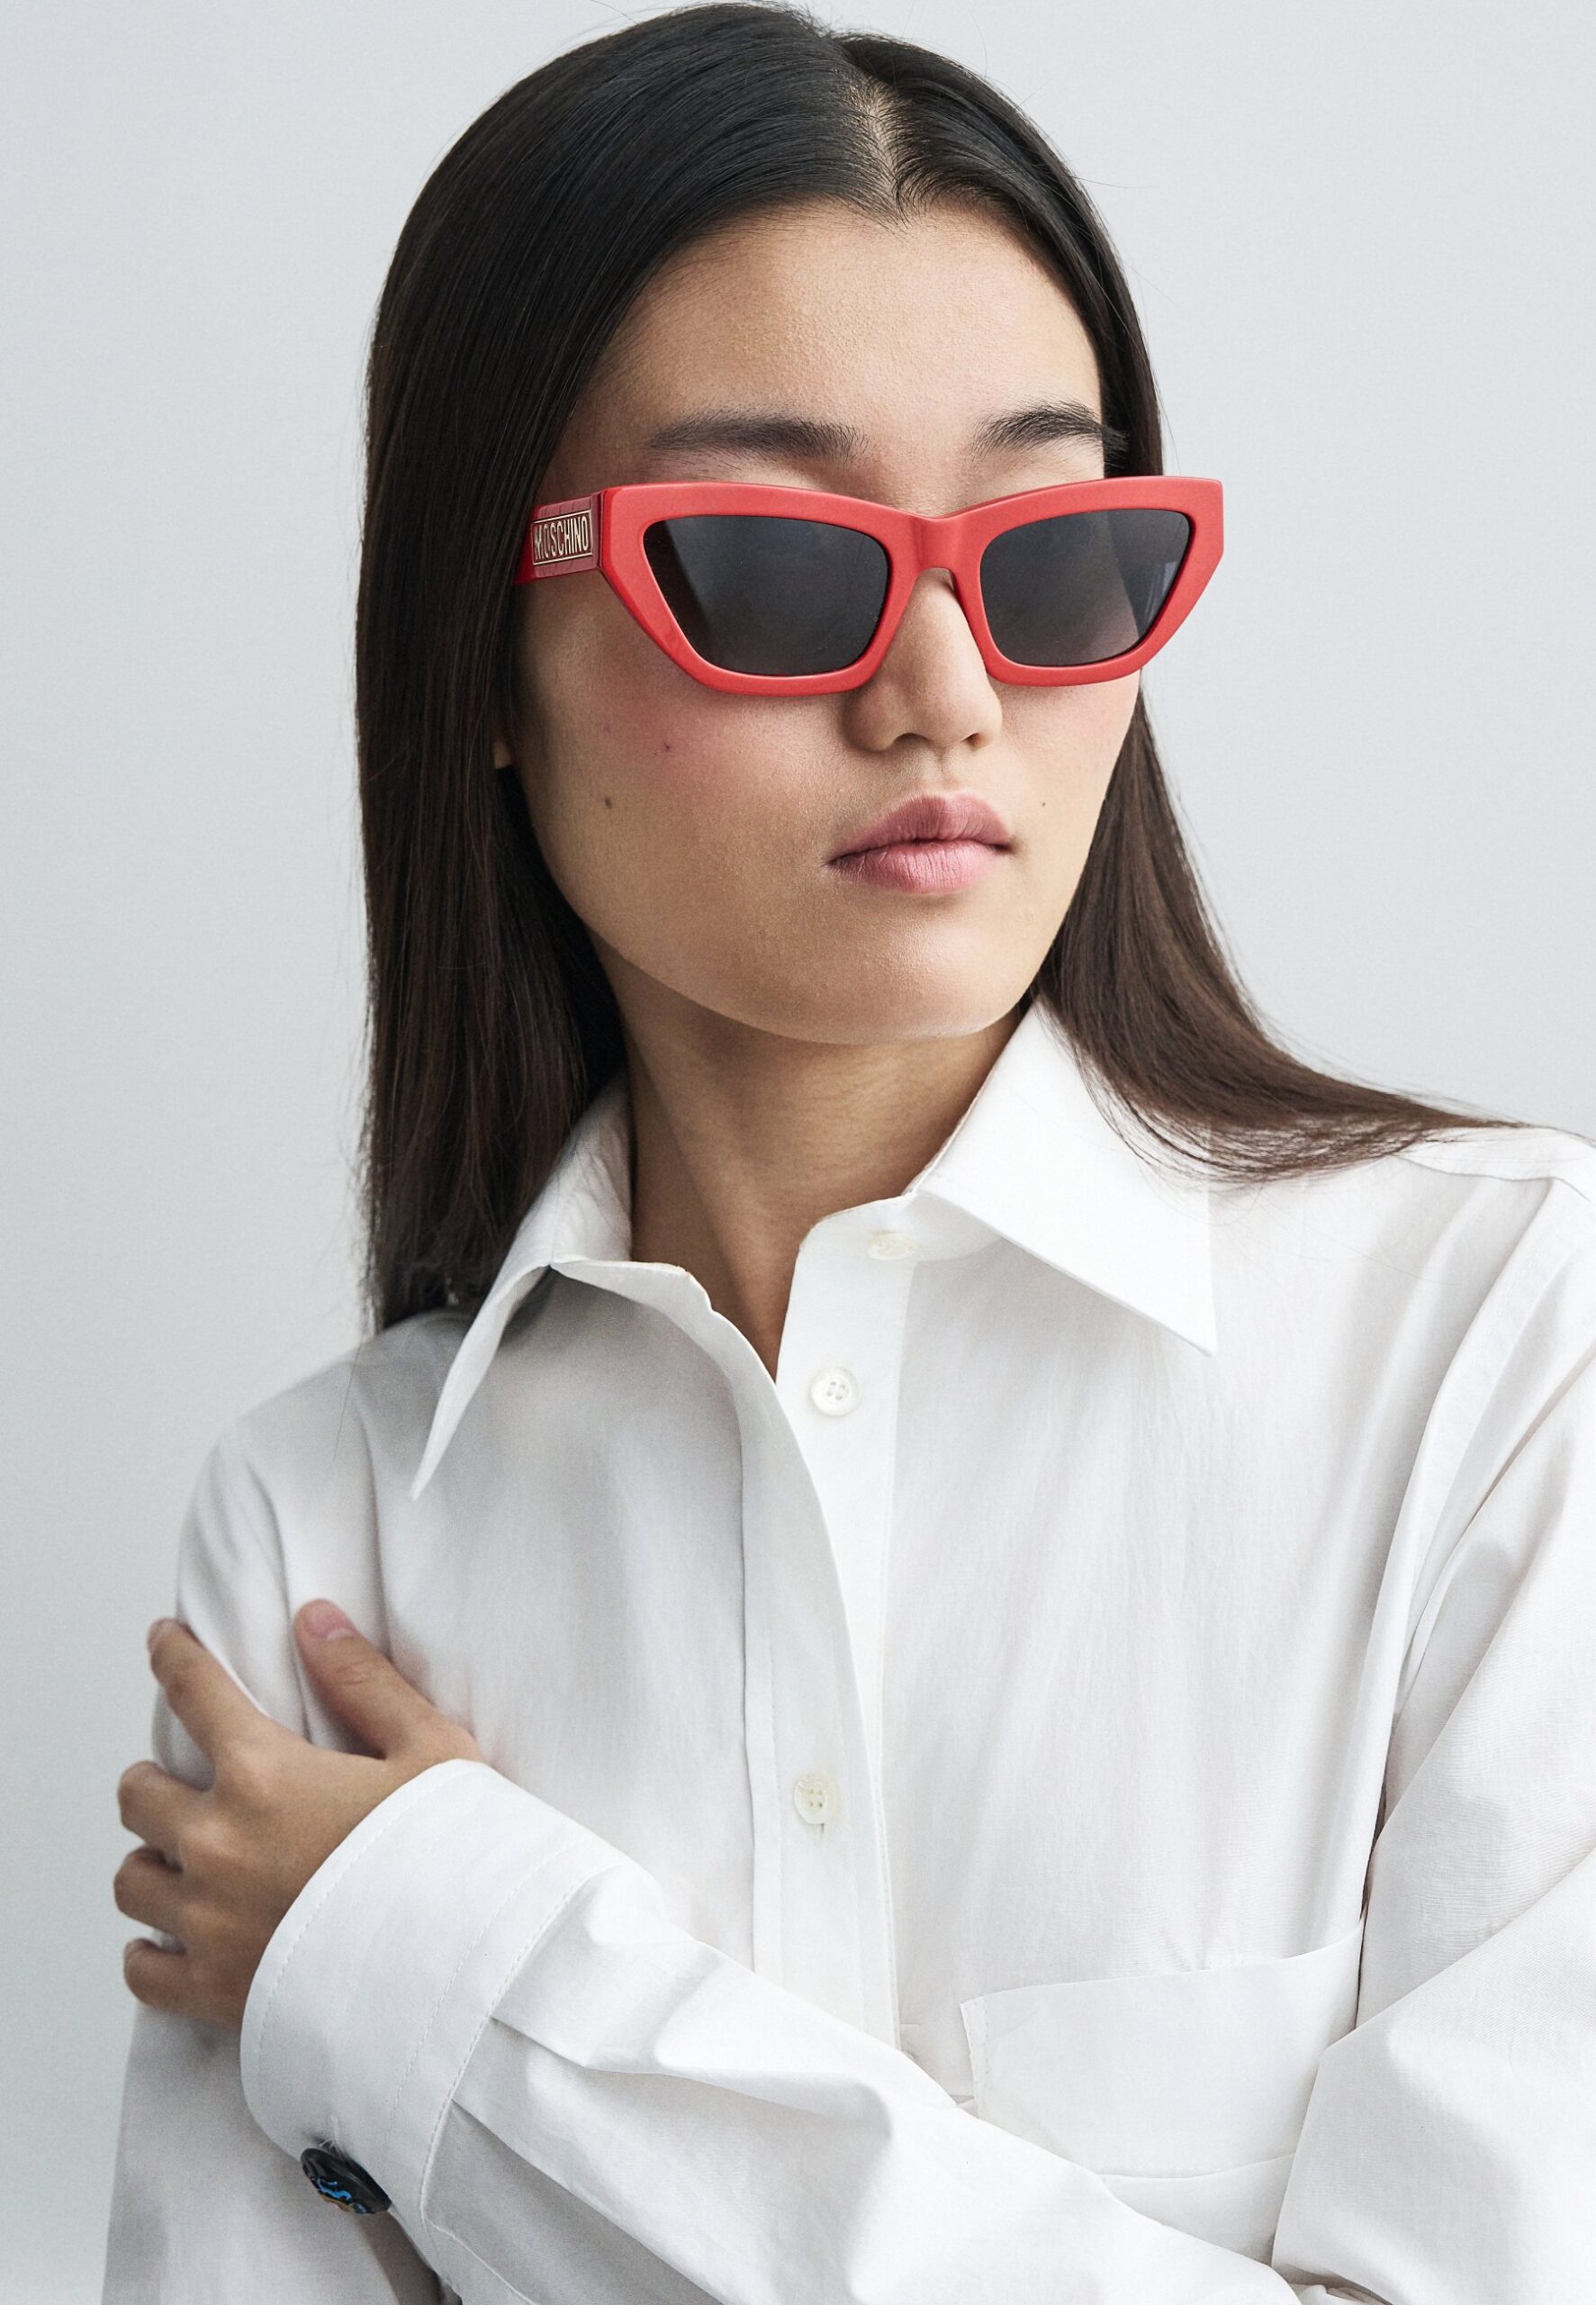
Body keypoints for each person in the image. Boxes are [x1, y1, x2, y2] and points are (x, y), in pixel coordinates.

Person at [102, 5, 1596, 2300]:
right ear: (477, 656)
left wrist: (444, 1973)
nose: (944, 695)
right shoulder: (326, 1530)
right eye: (773, 568)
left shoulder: (1498, 1346)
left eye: (1057, 559)